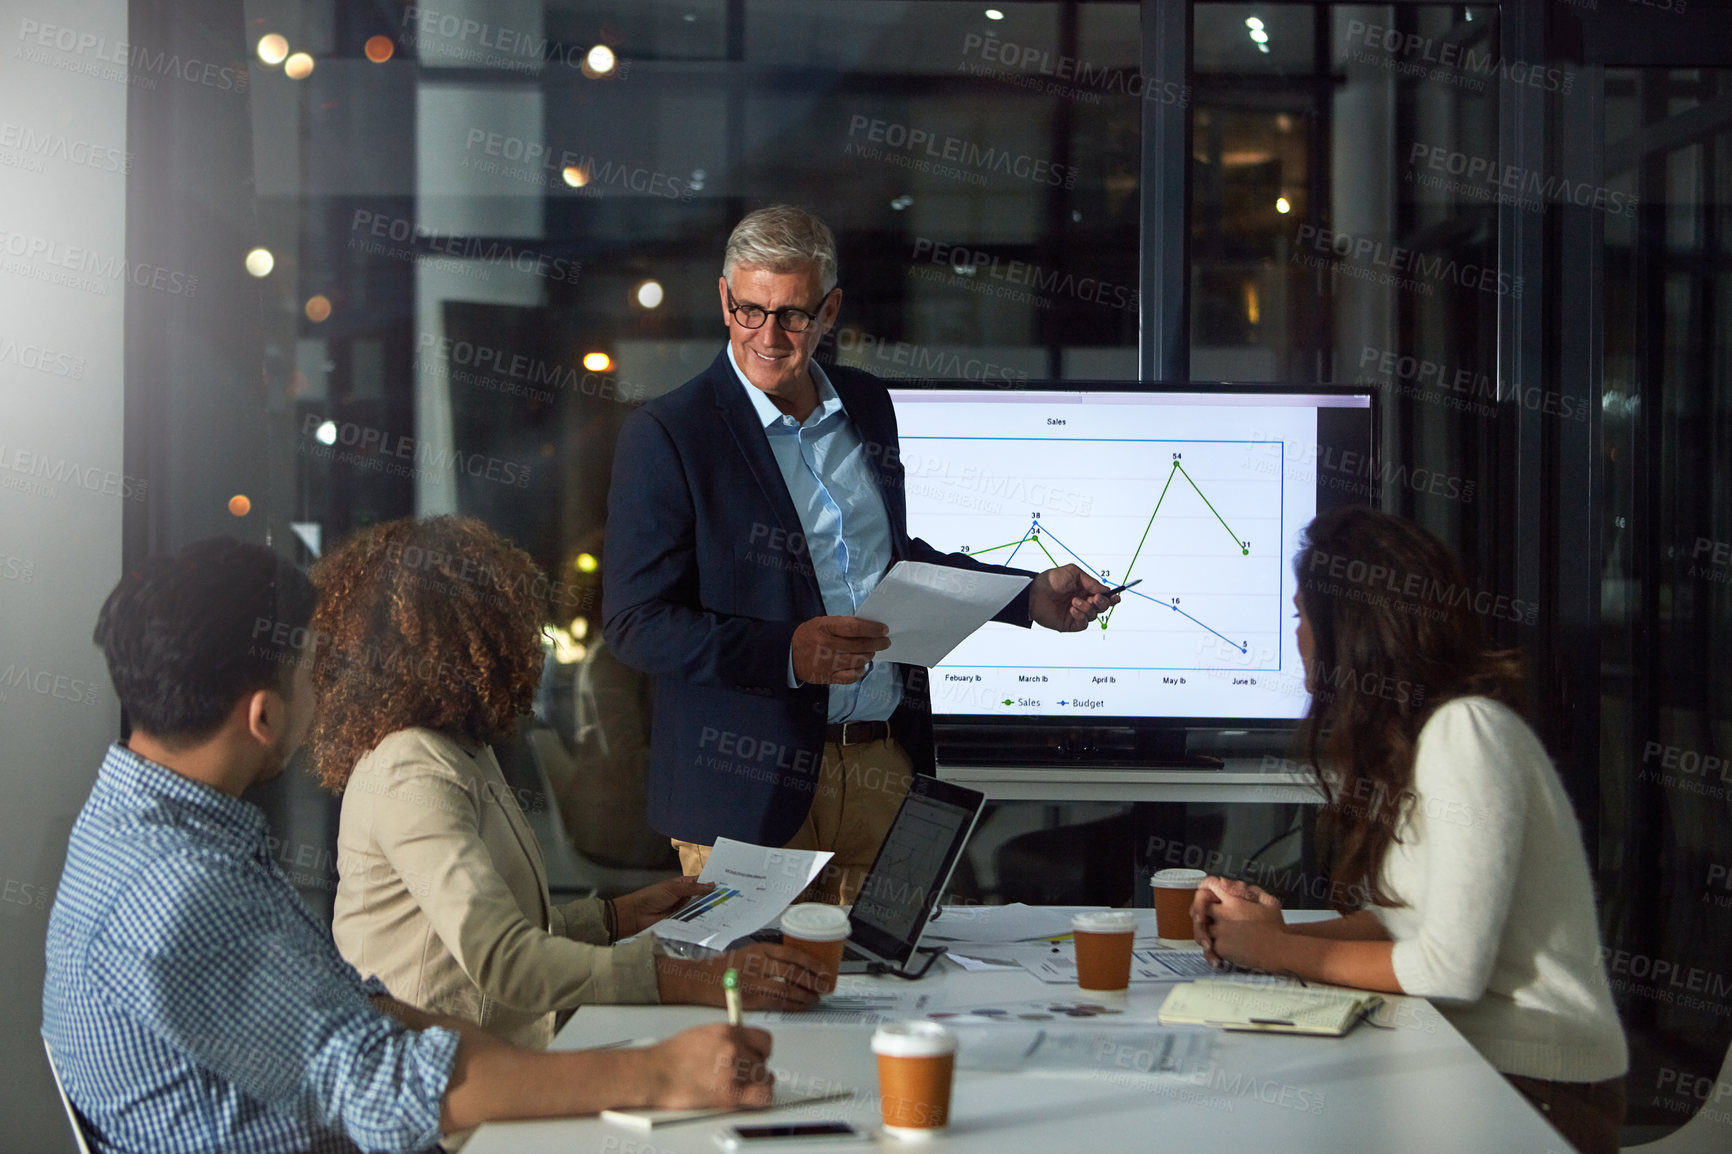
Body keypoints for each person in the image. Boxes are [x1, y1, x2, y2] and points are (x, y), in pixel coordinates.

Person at [43, 537, 776, 1154]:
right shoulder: (182, 887)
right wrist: (658, 1073)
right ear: (263, 715)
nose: (324, 690)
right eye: (309, 671)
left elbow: (360, 1011)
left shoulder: (140, 827)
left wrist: (541, 1057)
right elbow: (382, 1085)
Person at [603, 204, 1118, 903]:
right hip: (747, 789)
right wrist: (788, 652)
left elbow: (890, 563)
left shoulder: (870, 405)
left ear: (830, 309)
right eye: (750, 310)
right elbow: (636, 623)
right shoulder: (669, 433)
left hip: (883, 771)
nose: (769, 335)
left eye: (792, 314)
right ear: (725, 301)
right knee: (767, 999)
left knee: (899, 994)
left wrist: (1026, 596)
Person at [1191, 507, 1628, 1154]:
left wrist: (1273, 951)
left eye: (1301, 617)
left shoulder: (1467, 732)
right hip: (1468, 1065)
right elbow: (1407, 924)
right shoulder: (1421, 741)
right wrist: (1267, 933)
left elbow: (1447, 969)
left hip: (1537, 1091)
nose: (1298, 637)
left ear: (1353, 631)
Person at [314, 517, 823, 1054]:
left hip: (488, 1058)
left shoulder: (459, 746)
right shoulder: (412, 769)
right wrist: (701, 979)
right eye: (511, 621)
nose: (528, 640)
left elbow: (497, 928)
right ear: (469, 639)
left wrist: (618, 917)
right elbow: (504, 960)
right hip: (437, 1086)